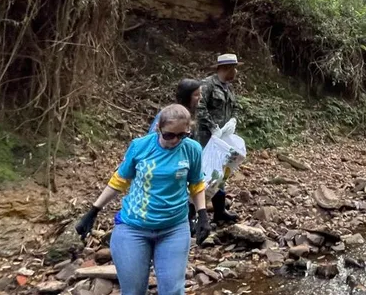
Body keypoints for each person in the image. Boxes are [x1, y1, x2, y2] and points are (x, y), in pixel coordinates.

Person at [74, 104, 210, 295]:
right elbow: (119, 181)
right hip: (133, 227)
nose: (175, 141)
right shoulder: (140, 146)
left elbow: (196, 184)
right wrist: (93, 211)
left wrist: (202, 214)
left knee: (173, 290)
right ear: (159, 129)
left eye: (182, 135)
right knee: (134, 291)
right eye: (169, 135)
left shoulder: (192, 149)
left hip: (174, 228)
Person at [196, 53, 241, 224]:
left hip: (223, 140)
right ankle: (193, 215)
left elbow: (235, 107)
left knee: (220, 173)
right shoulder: (207, 85)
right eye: (234, 68)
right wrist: (212, 126)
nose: (236, 72)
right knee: (203, 174)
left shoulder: (228, 88)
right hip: (206, 138)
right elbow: (200, 109)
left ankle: (219, 211)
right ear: (226, 68)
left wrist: (233, 120)